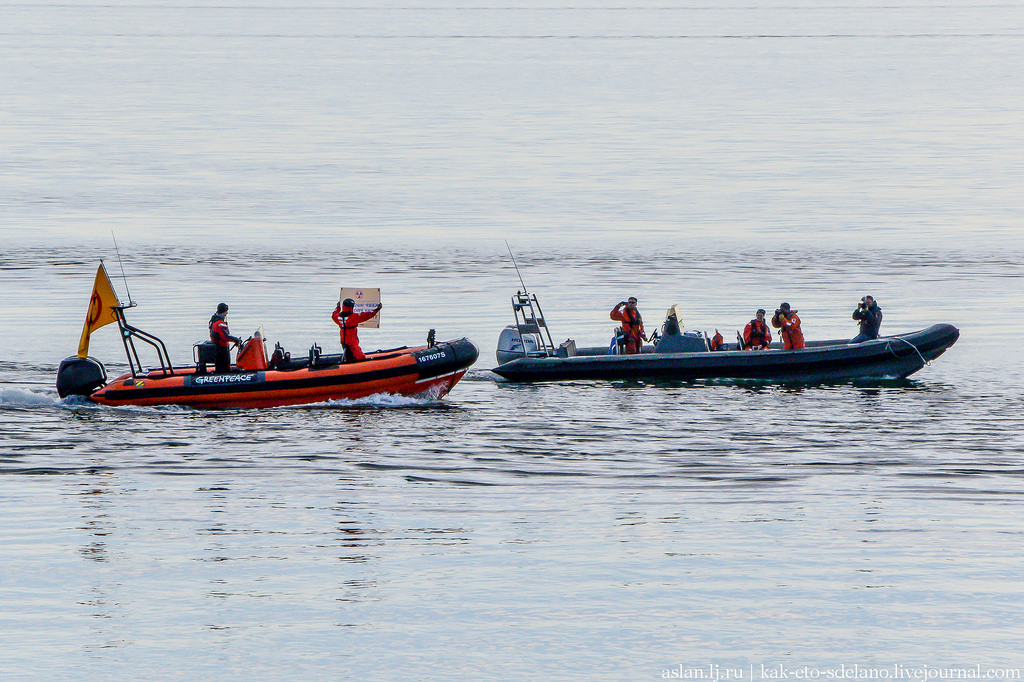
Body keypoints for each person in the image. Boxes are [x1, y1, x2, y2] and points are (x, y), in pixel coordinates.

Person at [209, 302, 241, 373]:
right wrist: (236, 340)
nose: (227, 313)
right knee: (224, 368)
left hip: (218, 348)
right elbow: (225, 337)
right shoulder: (219, 323)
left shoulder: (214, 320)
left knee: (221, 367)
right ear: (224, 311)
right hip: (221, 349)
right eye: (226, 311)